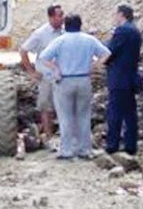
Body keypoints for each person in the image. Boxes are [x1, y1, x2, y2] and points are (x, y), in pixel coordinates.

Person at [39, 14, 111, 160]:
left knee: (65, 116)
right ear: (80, 25)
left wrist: (56, 69)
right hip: (84, 79)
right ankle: (84, 149)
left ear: (65, 25)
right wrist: (94, 66)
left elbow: (44, 57)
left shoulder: (60, 40)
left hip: (65, 80)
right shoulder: (89, 40)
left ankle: (67, 151)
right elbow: (106, 53)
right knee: (83, 116)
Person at [20, 4, 64, 142]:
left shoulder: (65, 32)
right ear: (51, 17)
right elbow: (23, 50)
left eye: (62, 15)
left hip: (63, 76)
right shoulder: (41, 34)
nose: (62, 18)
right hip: (46, 77)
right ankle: (48, 137)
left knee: (64, 106)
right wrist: (31, 72)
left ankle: (64, 136)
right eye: (59, 15)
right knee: (46, 106)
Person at [105, 4, 143, 155]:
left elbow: (110, 51)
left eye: (116, 14)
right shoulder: (135, 31)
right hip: (131, 76)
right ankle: (130, 144)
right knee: (130, 113)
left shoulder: (122, 31)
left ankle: (112, 144)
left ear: (121, 14)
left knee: (115, 112)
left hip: (119, 78)